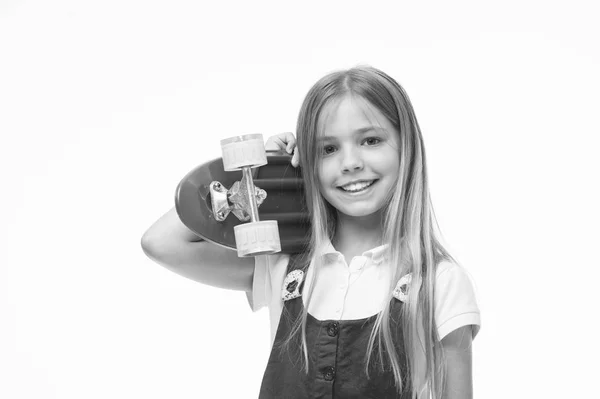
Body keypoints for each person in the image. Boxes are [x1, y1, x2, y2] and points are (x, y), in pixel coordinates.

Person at [141, 66, 481, 399]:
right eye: (328, 149)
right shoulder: (282, 264)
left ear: (407, 147)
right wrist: (264, 171)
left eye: (371, 140)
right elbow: (160, 243)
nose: (350, 163)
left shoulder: (440, 282)